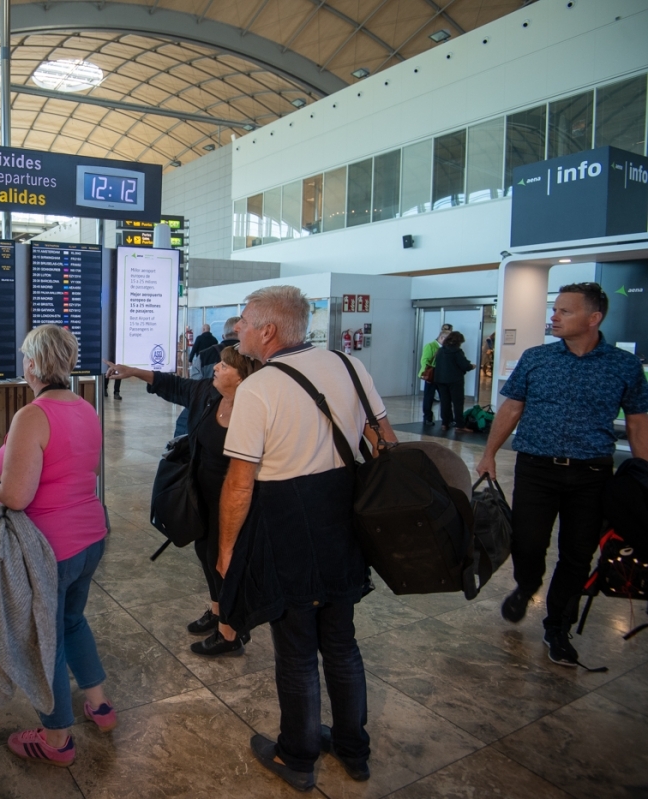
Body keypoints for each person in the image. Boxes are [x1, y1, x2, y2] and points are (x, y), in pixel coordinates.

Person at [218, 286, 398, 792]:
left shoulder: (258, 389)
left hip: (286, 524)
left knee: (296, 648)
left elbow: (239, 483)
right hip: (343, 517)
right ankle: (352, 747)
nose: (239, 329)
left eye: (246, 321)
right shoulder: (349, 365)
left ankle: (296, 756)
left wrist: (227, 549)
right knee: (341, 642)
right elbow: (385, 438)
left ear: (269, 330)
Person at [477, 282, 648, 667]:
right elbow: (510, 409)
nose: (553, 317)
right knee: (528, 542)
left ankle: (558, 627)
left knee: (577, 553)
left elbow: (638, 422)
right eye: (554, 310)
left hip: (592, 474)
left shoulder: (623, 366)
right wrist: (489, 453)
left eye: (564, 311)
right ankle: (527, 584)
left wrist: (643, 475)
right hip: (536, 468)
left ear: (594, 318)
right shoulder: (537, 358)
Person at [0, 324, 114, 767]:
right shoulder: (85, 407)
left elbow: (17, 496)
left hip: (48, 550)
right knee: (72, 621)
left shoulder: (32, 415)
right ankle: (100, 705)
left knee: (45, 641)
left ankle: (57, 741)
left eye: (24, 358)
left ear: (33, 363)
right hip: (91, 535)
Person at [104, 345, 258, 656]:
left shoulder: (254, 412)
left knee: (225, 562)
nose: (215, 368)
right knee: (206, 553)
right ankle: (217, 612)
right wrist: (133, 372)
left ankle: (231, 633)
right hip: (202, 492)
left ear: (242, 379)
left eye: (225, 367)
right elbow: (173, 385)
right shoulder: (207, 394)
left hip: (232, 501)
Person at [434, 331, 474, 431]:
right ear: (458, 342)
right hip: (455, 380)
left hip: (440, 379)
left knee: (444, 402)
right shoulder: (457, 352)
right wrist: (471, 366)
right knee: (457, 402)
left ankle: (445, 423)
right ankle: (459, 425)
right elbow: (464, 365)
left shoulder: (440, 350)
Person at [419, 329, 449, 426]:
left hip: (442, 376)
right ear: (441, 338)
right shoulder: (430, 346)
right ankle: (427, 418)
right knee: (429, 397)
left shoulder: (446, 348)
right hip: (432, 375)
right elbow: (425, 361)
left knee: (444, 397)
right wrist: (426, 374)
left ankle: (446, 418)